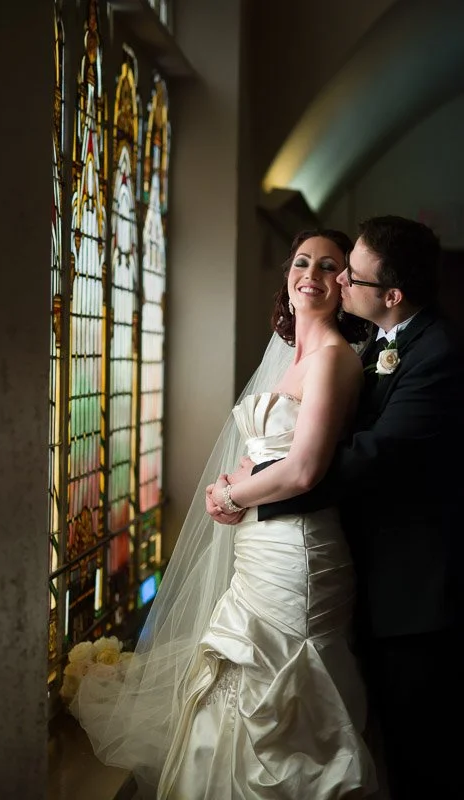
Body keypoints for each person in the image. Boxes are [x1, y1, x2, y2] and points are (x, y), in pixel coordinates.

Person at [73, 229, 378, 800]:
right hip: (257, 551)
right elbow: (267, 452)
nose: (309, 273)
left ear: (344, 283)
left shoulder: (335, 361)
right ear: (288, 275)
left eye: (328, 265)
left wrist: (234, 498)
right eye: (301, 262)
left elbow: (306, 469)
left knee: (281, 700)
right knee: (226, 689)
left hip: (297, 555)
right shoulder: (291, 358)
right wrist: (230, 482)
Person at [209, 215, 464, 800]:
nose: (338, 281)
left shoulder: (438, 353)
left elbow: (366, 456)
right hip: (356, 568)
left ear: (391, 295)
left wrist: (247, 490)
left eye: (349, 273)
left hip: (418, 593)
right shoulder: (382, 343)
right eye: (316, 265)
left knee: (420, 753)